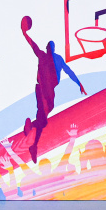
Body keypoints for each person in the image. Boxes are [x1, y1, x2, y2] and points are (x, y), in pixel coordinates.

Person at [21, 16, 87, 163]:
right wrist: (25, 33)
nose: (49, 48)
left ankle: (31, 127)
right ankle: (33, 145)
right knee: (43, 118)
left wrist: (79, 83)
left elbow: (68, 71)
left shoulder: (52, 57)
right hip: (43, 90)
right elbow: (33, 45)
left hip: (47, 91)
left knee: (44, 116)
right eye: (49, 47)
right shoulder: (47, 57)